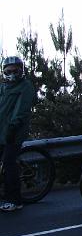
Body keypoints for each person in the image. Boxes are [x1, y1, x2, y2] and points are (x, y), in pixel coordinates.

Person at [0, 56, 35, 212]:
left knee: (8, 163)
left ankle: (14, 200)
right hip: (1, 130)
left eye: (15, 70)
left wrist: (13, 128)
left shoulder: (25, 86)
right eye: (8, 71)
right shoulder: (3, 87)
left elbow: (21, 110)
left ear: (21, 70)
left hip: (14, 131)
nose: (12, 74)